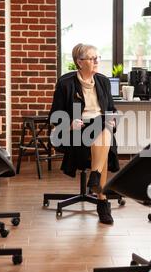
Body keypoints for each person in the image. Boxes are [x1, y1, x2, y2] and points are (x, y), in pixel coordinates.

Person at [49, 43, 120, 224]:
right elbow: (54, 116)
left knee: (103, 127)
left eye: (97, 57)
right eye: (92, 58)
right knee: (103, 137)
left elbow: (111, 109)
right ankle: (101, 201)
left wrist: (113, 119)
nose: (96, 61)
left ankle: (95, 178)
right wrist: (69, 123)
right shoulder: (66, 84)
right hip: (76, 132)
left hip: (101, 128)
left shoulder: (103, 81)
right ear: (80, 62)